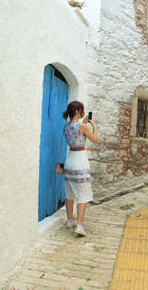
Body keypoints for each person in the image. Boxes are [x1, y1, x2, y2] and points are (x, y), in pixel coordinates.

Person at [62, 101, 98, 236]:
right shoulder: (83, 126)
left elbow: (75, 134)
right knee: (83, 195)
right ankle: (79, 226)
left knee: (70, 192)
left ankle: (70, 220)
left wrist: (84, 124)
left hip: (69, 159)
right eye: (81, 110)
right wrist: (93, 125)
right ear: (78, 111)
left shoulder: (66, 126)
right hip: (80, 160)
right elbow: (95, 139)